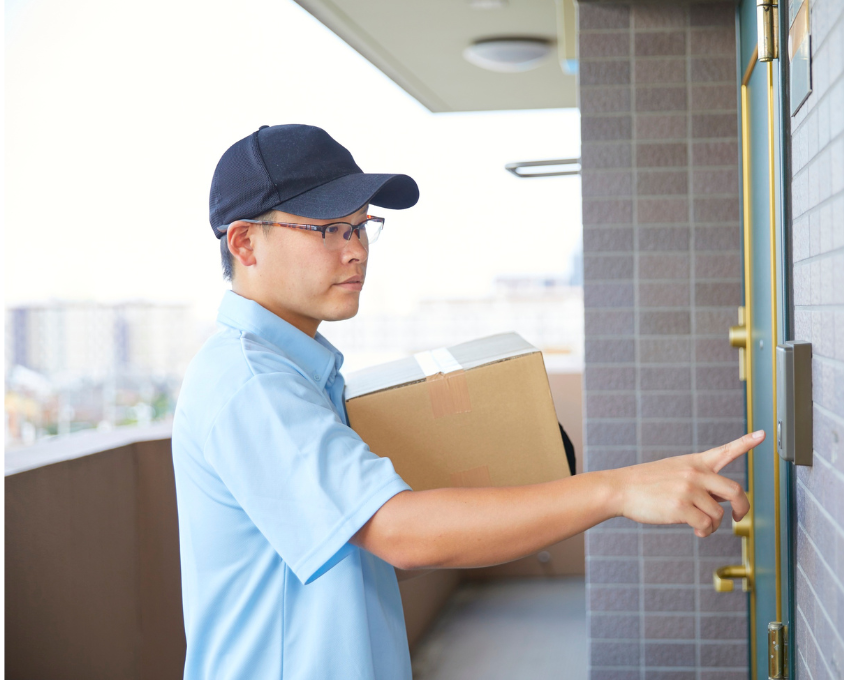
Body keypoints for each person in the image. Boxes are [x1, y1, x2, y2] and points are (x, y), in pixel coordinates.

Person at [171, 124, 765, 679]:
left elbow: (383, 535)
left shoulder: (296, 373)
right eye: (328, 230)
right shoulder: (252, 382)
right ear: (245, 243)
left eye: (361, 226)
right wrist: (618, 490)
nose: (357, 251)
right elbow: (400, 534)